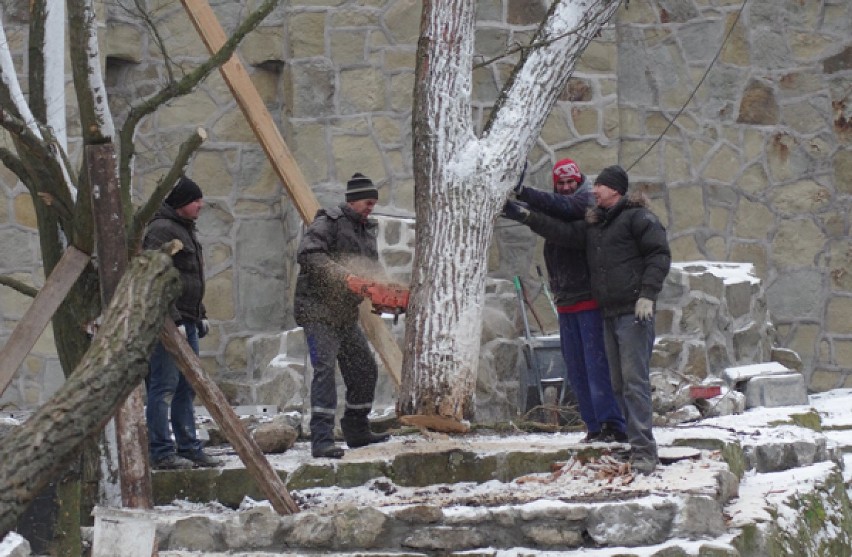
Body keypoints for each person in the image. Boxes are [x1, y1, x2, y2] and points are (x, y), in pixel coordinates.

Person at [503, 165, 670, 474]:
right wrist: (525, 215)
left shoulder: (638, 218)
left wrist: (648, 293)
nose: (594, 190)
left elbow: (659, 255)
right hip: (608, 311)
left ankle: (643, 450)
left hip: (633, 311)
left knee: (633, 381)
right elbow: (561, 232)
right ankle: (626, 443)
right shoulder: (597, 225)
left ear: (616, 190)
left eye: (600, 186)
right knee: (619, 383)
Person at [508, 158, 626, 444]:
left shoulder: (588, 206)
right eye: (560, 184)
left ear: (580, 180)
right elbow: (550, 212)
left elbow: (561, 223)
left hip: (589, 301)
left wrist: (522, 197)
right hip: (566, 302)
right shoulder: (562, 207)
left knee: (597, 367)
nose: (565, 188)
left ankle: (613, 424)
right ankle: (594, 426)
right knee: (576, 370)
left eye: (569, 182)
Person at [293, 173, 391, 459]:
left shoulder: (365, 231)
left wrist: (385, 294)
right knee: (324, 370)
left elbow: (372, 271)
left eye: (374, 202)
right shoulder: (327, 222)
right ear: (353, 200)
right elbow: (309, 255)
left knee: (364, 369)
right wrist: (345, 278)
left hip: (345, 314)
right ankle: (321, 439)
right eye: (368, 202)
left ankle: (357, 430)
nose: (371, 207)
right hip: (317, 311)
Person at [142, 176, 221, 470]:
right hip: (166, 325)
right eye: (195, 200)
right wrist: (174, 322)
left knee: (187, 386)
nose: (201, 204)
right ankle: (161, 451)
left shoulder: (185, 229)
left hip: (187, 320)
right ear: (179, 203)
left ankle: (189, 447)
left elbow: (189, 279)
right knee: (163, 387)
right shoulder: (161, 231)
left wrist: (198, 314)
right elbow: (156, 279)